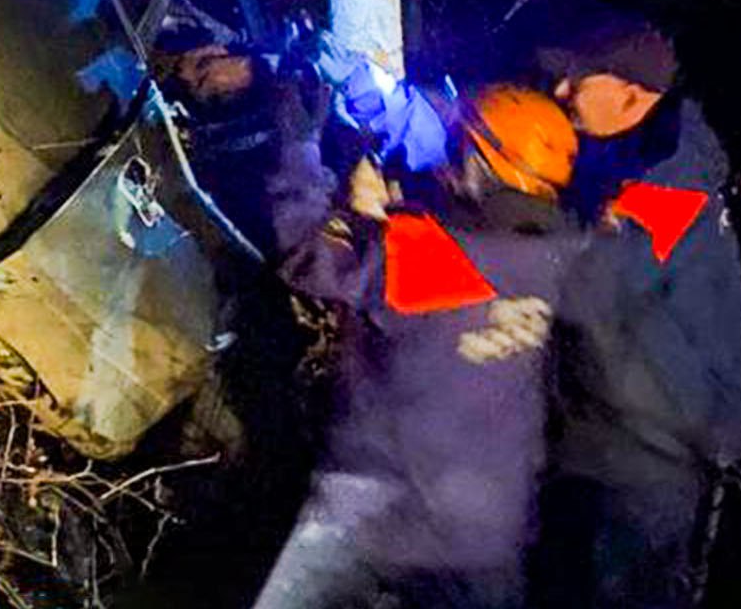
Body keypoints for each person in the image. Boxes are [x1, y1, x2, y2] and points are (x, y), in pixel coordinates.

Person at [251, 83, 588, 609]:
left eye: (459, 148)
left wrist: (300, 149)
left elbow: (307, 251)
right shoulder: (567, 256)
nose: (449, 163)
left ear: (483, 159)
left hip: (377, 496)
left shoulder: (427, 257)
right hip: (492, 514)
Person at [532, 14, 741, 608]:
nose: (561, 91)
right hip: (624, 424)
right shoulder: (628, 158)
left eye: (581, 80)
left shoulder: (664, 188)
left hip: (656, 445)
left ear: (632, 94)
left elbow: (586, 290)